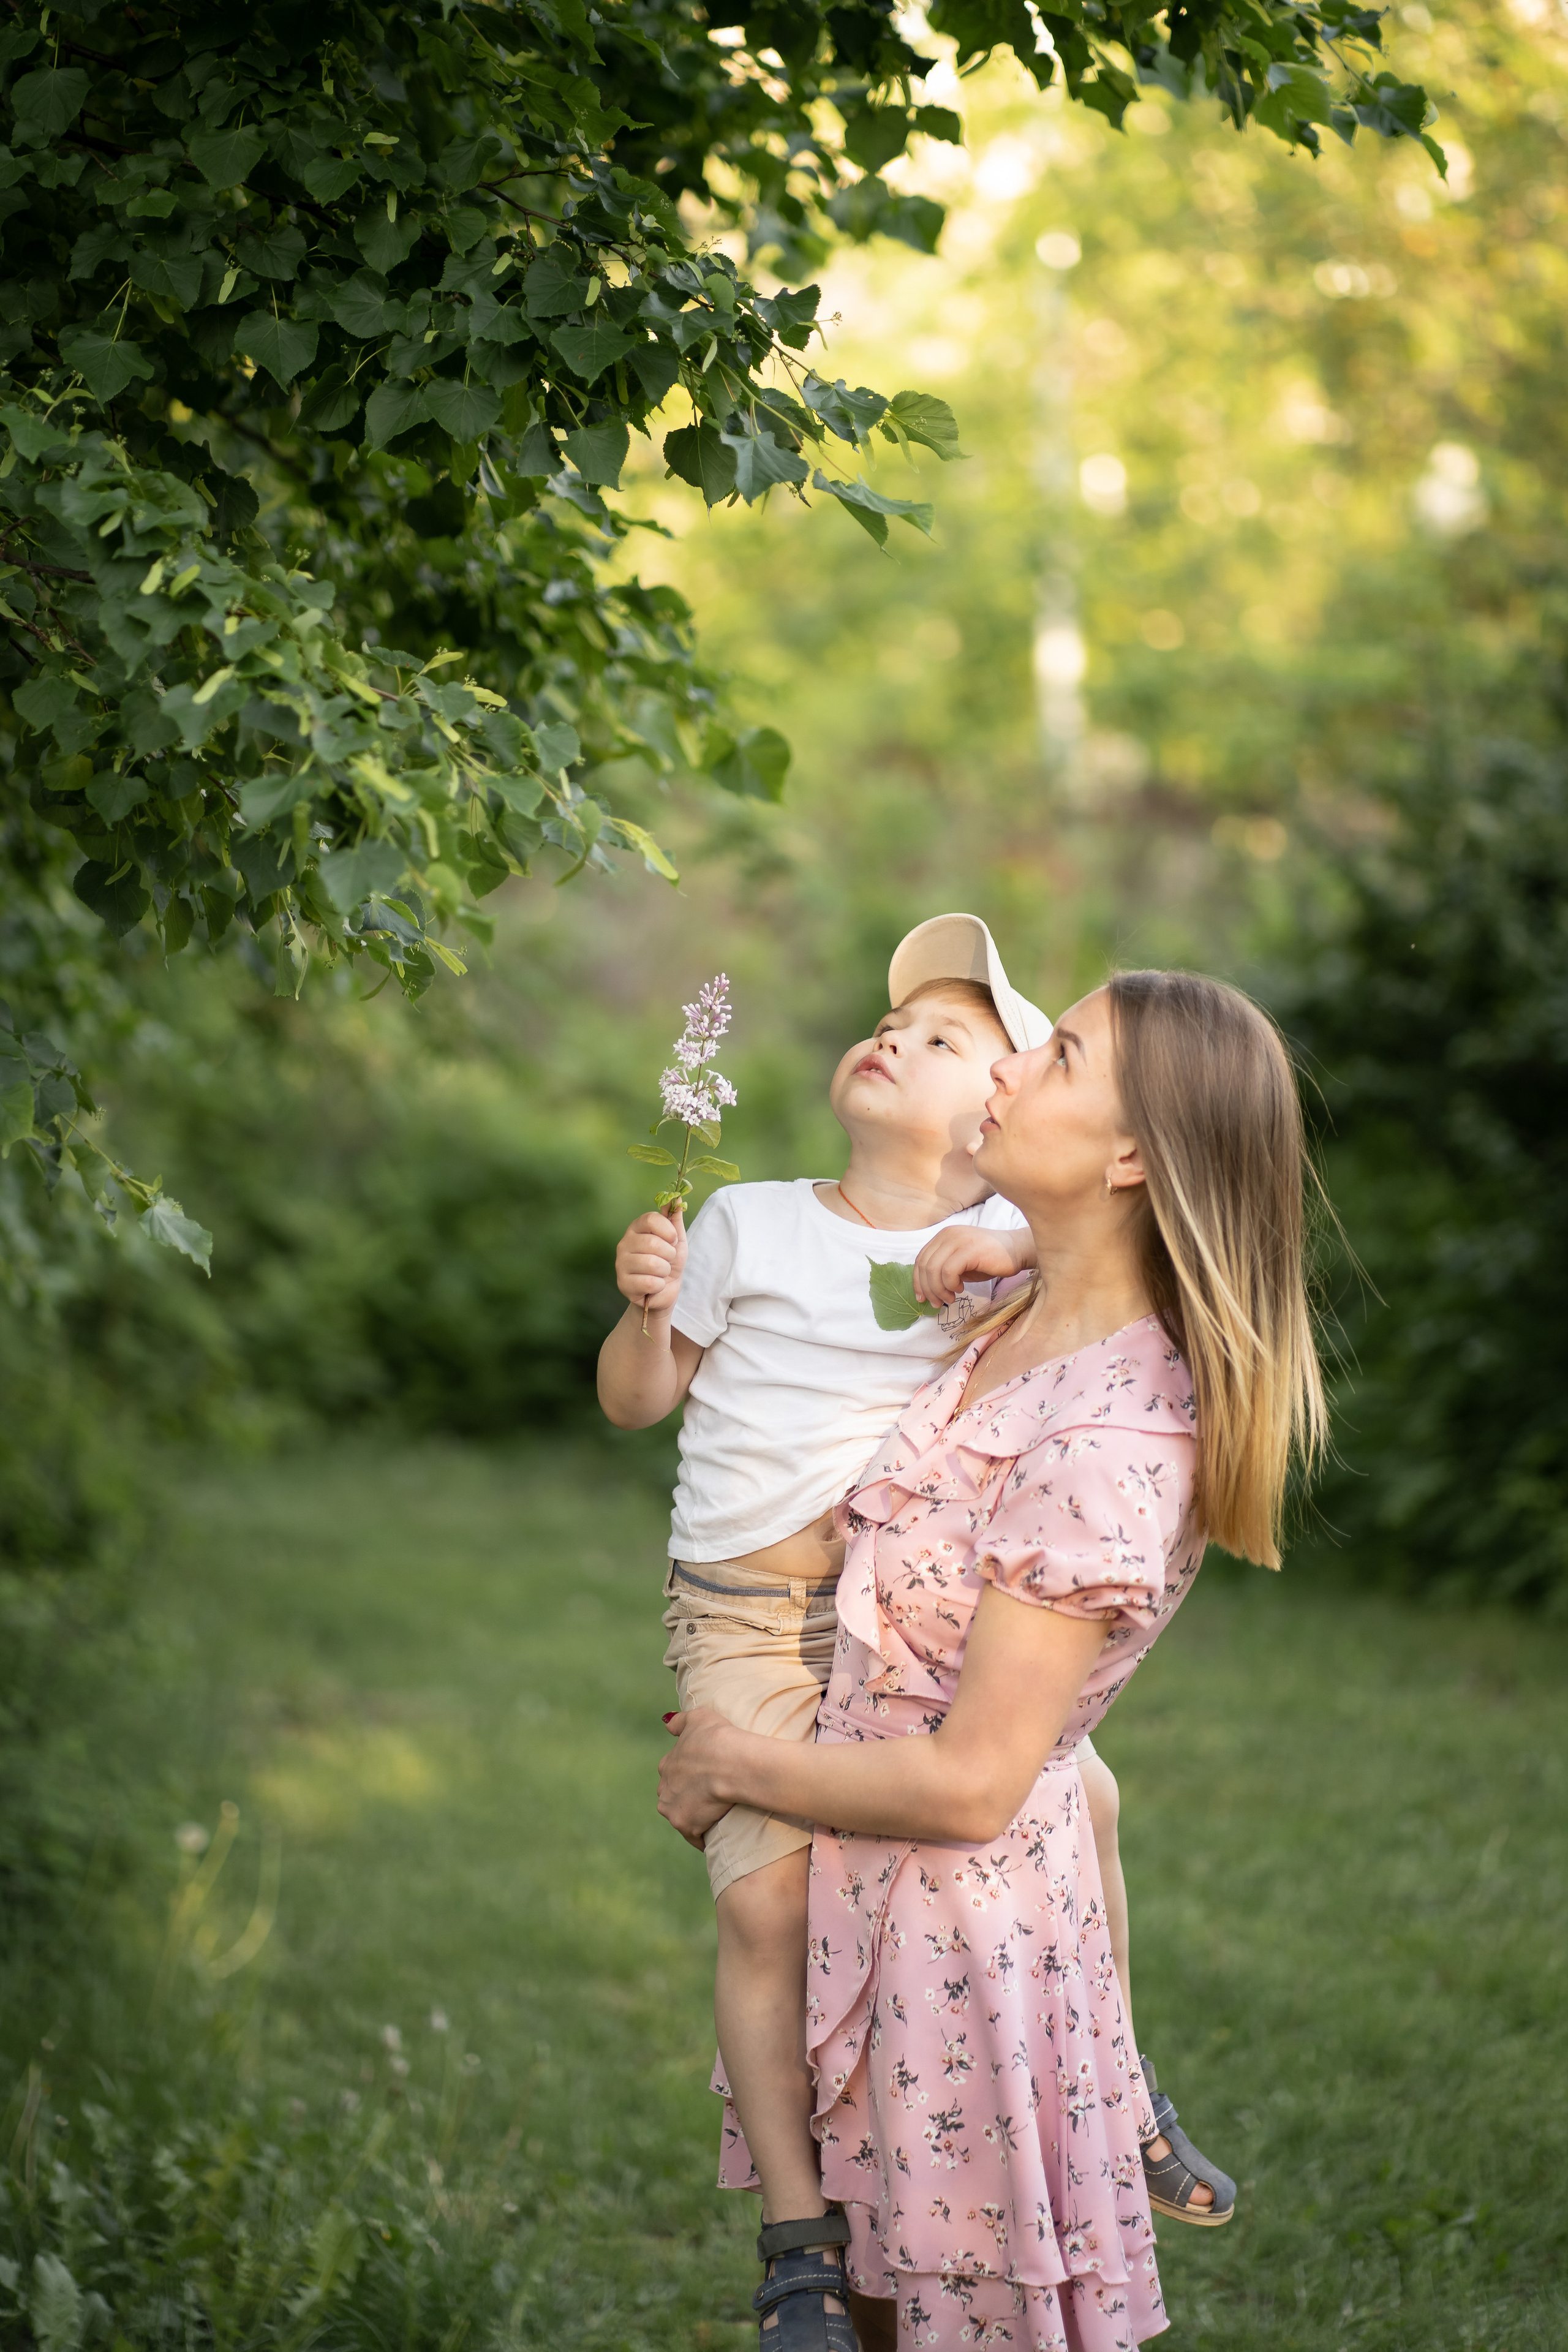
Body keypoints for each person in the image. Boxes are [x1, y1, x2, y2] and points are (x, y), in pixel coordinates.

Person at [658, 969, 1325, 2350]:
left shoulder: (1104, 1445)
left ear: (1132, 1154)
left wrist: (732, 1757)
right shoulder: (1014, 1305)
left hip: (964, 1956)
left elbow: (973, 1784)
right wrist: (1018, 1253)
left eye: (1057, 1054)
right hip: (874, 1905)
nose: (1009, 1071)